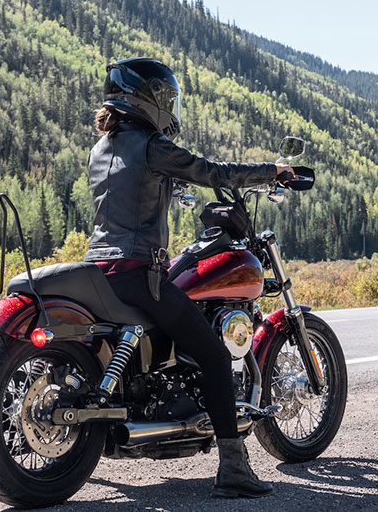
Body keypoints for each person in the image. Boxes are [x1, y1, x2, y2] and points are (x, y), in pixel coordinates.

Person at [84, 57, 291, 499]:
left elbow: (131, 192)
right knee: (215, 357)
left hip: (100, 270)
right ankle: (233, 467)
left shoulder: (101, 148)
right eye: (166, 98)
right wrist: (271, 171)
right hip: (139, 272)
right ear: (150, 100)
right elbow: (214, 172)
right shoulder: (151, 145)